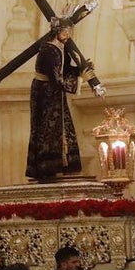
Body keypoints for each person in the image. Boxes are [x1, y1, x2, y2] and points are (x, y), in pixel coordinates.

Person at [25, 16, 105, 180]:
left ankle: (63, 164)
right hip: (44, 93)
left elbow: (65, 69)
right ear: (57, 32)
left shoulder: (61, 48)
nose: (68, 35)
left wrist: (81, 70)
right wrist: (80, 79)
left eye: (69, 31)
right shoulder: (49, 50)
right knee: (47, 128)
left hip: (54, 93)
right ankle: (47, 167)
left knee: (61, 127)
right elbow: (57, 79)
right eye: (65, 31)